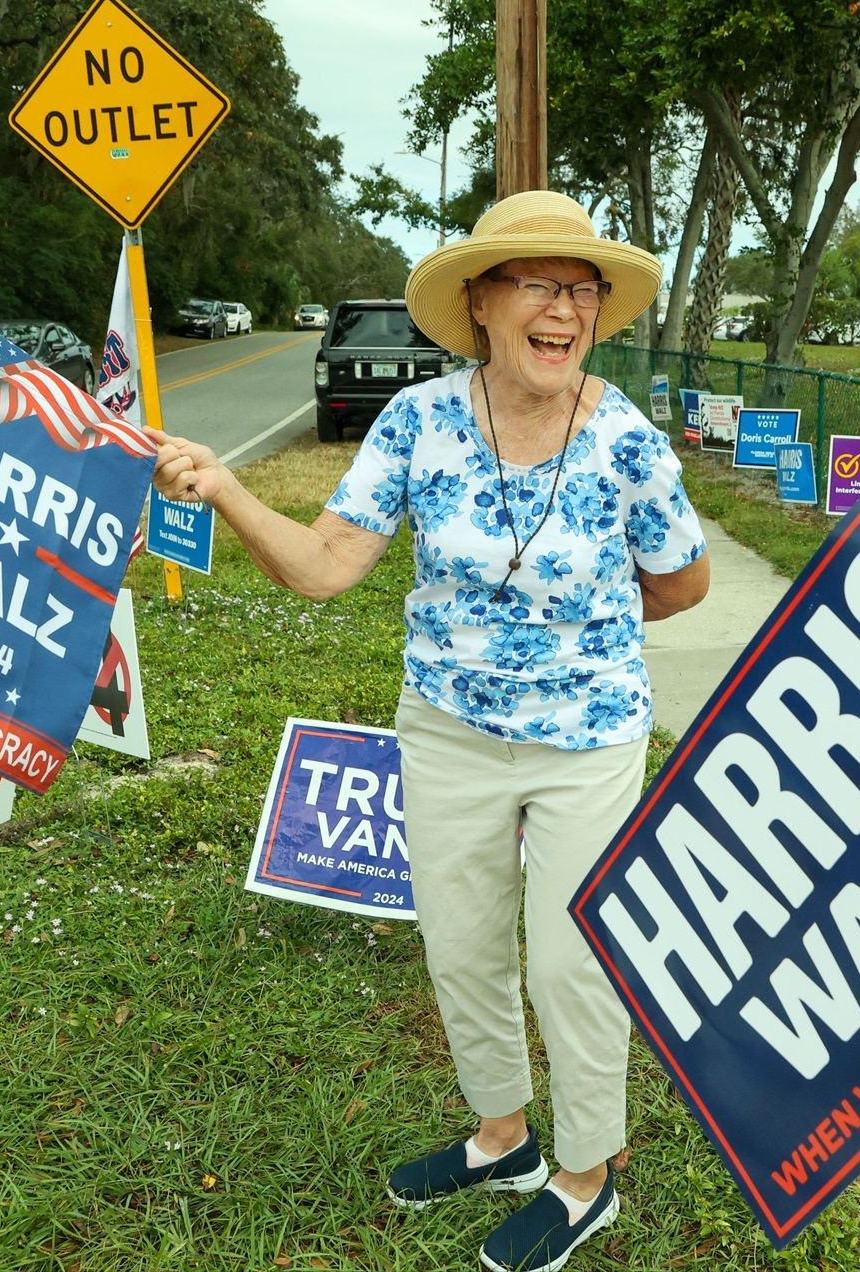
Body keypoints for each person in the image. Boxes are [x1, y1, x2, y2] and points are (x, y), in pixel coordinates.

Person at [151, 191, 709, 1272]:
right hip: (447, 730)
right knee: (460, 946)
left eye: (581, 288)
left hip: (586, 735)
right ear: (482, 303)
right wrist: (224, 489)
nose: (564, 309)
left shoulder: (625, 437)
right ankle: (503, 1136)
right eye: (537, 285)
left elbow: (681, 582)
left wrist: (575, 627)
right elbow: (324, 565)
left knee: (572, 961)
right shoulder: (419, 420)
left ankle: (585, 1173)